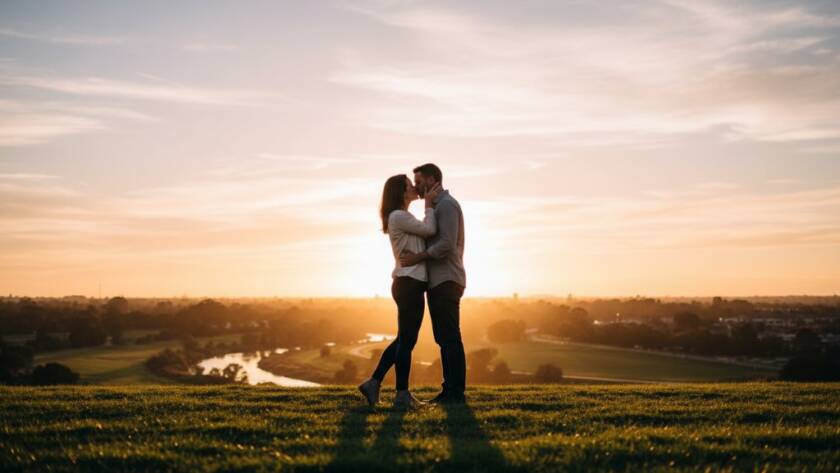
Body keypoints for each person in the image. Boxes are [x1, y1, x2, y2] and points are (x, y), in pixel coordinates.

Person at [358, 174, 441, 409]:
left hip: (409, 283)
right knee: (406, 341)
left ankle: (373, 383)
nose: (414, 187)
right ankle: (402, 394)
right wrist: (428, 205)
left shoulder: (401, 216)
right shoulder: (399, 216)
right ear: (401, 192)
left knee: (404, 339)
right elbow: (430, 229)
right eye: (409, 185)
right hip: (409, 283)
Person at [399, 163, 467, 404]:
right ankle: (449, 390)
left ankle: (455, 392)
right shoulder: (435, 207)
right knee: (443, 338)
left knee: (450, 337)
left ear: (431, 180)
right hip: (438, 280)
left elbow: (447, 243)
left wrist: (417, 257)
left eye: (419, 182)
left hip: (447, 278)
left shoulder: (447, 205)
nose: (416, 187)